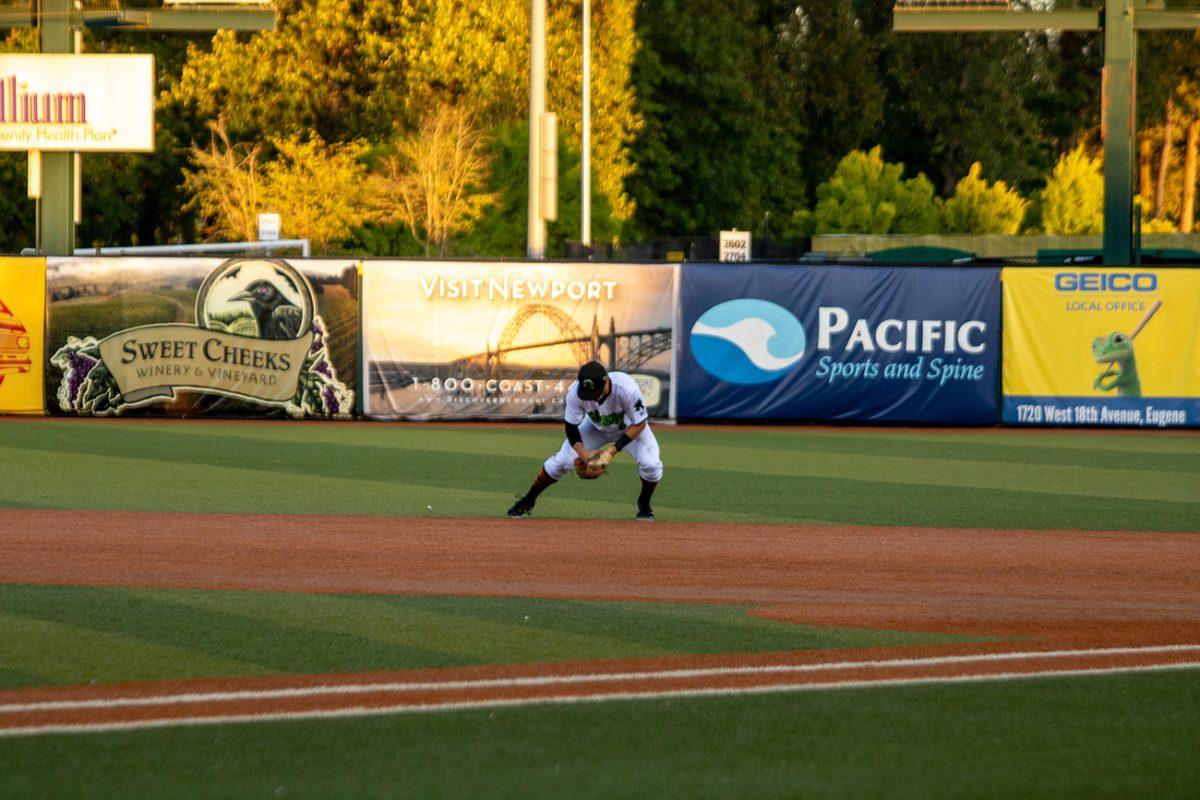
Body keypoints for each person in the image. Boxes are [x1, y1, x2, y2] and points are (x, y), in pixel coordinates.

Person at [506, 360, 662, 520]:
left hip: (629, 427)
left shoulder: (626, 389)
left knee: (651, 464)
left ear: (606, 380)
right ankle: (528, 499)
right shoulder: (575, 393)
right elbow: (571, 427)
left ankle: (644, 503)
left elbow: (640, 423)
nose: (591, 398)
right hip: (595, 427)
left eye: (595, 392)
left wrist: (612, 451)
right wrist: (583, 454)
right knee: (562, 461)